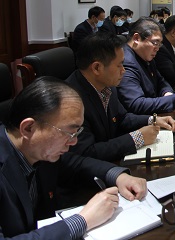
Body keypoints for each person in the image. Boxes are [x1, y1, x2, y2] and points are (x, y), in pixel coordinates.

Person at [0, 76, 147, 239]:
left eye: (77, 132)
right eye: (69, 132)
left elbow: (74, 164)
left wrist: (118, 176)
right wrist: (83, 220)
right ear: (28, 128)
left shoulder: (38, 149)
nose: (74, 141)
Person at [66, 33, 175, 161]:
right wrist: (137, 138)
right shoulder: (70, 102)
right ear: (97, 68)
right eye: (119, 65)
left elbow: (122, 118)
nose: (123, 70)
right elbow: (86, 152)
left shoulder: (107, 84)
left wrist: (152, 120)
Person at [117, 18, 175, 114]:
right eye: (155, 43)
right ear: (136, 38)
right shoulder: (126, 62)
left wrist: (167, 93)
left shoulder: (145, 56)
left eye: (159, 44)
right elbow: (136, 104)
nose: (157, 48)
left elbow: (161, 81)